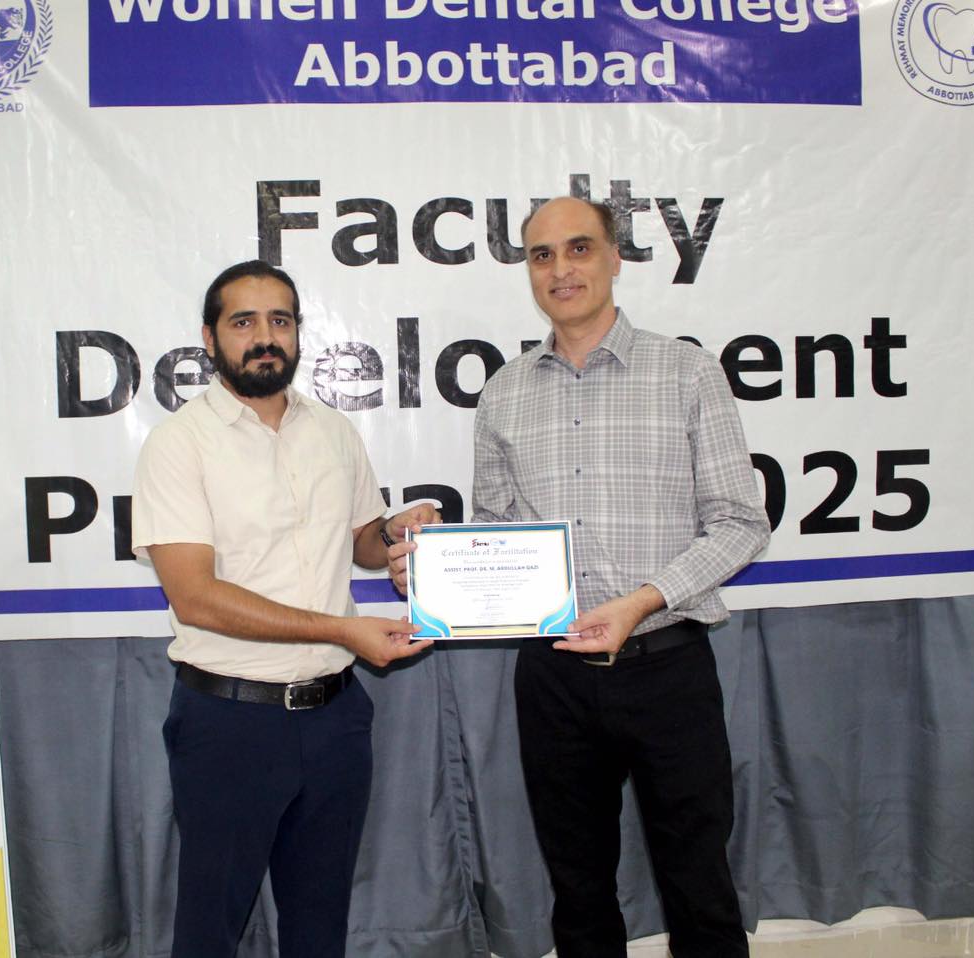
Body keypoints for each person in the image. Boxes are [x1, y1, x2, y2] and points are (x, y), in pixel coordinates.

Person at [395, 196, 769, 957]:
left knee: (700, 887)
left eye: (578, 248)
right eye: (542, 255)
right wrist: (433, 569)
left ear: (614, 257)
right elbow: (500, 531)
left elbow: (741, 522)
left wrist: (640, 602)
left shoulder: (687, 372)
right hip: (554, 677)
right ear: (528, 270)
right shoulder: (504, 391)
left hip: (667, 666)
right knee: (578, 891)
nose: (560, 269)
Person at [132, 259, 436, 958]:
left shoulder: (333, 430)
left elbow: (362, 541)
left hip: (335, 720)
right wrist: (344, 630)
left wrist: (398, 532)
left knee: (320, 931)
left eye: (280, 320)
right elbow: (195, 597)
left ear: (298, 332)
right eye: (243, 321)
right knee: (209, 935)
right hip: (229, 724)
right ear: (209, 337)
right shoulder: (179, 444)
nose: (264, 337)